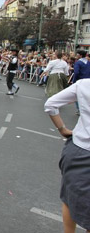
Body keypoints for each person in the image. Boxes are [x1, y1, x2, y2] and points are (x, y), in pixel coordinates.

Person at [44, 78, 90, 233]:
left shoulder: (84, 84)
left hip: (80, 149)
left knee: (69, 198)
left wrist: (63, 129)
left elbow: (50, 104)